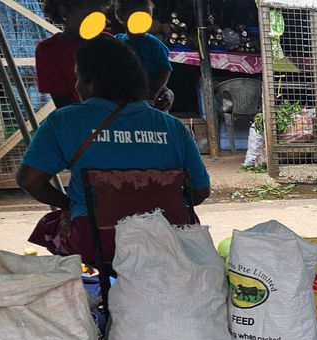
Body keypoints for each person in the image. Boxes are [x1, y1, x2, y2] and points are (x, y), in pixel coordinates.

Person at [17, 37, 209, 261]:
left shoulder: (64, 120)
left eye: (78, 77)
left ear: (92, 82)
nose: (77, 86)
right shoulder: (172, 125)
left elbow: (29, 180)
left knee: (49, 226)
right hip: (169, 238)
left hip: (99, 241)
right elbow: (200, 191)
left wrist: (69, 205)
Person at [36, 0, 111, 109]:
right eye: (90, 16)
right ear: (63, 11)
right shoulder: (49, 51)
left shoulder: (109, 42)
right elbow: (64, 106)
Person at [114, 0, 173, 111]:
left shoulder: (154, 44)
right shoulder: (116, 41)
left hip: (148, 100)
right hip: (124, 99)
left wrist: (153, 94)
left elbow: (165, 69)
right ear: (120, 15)